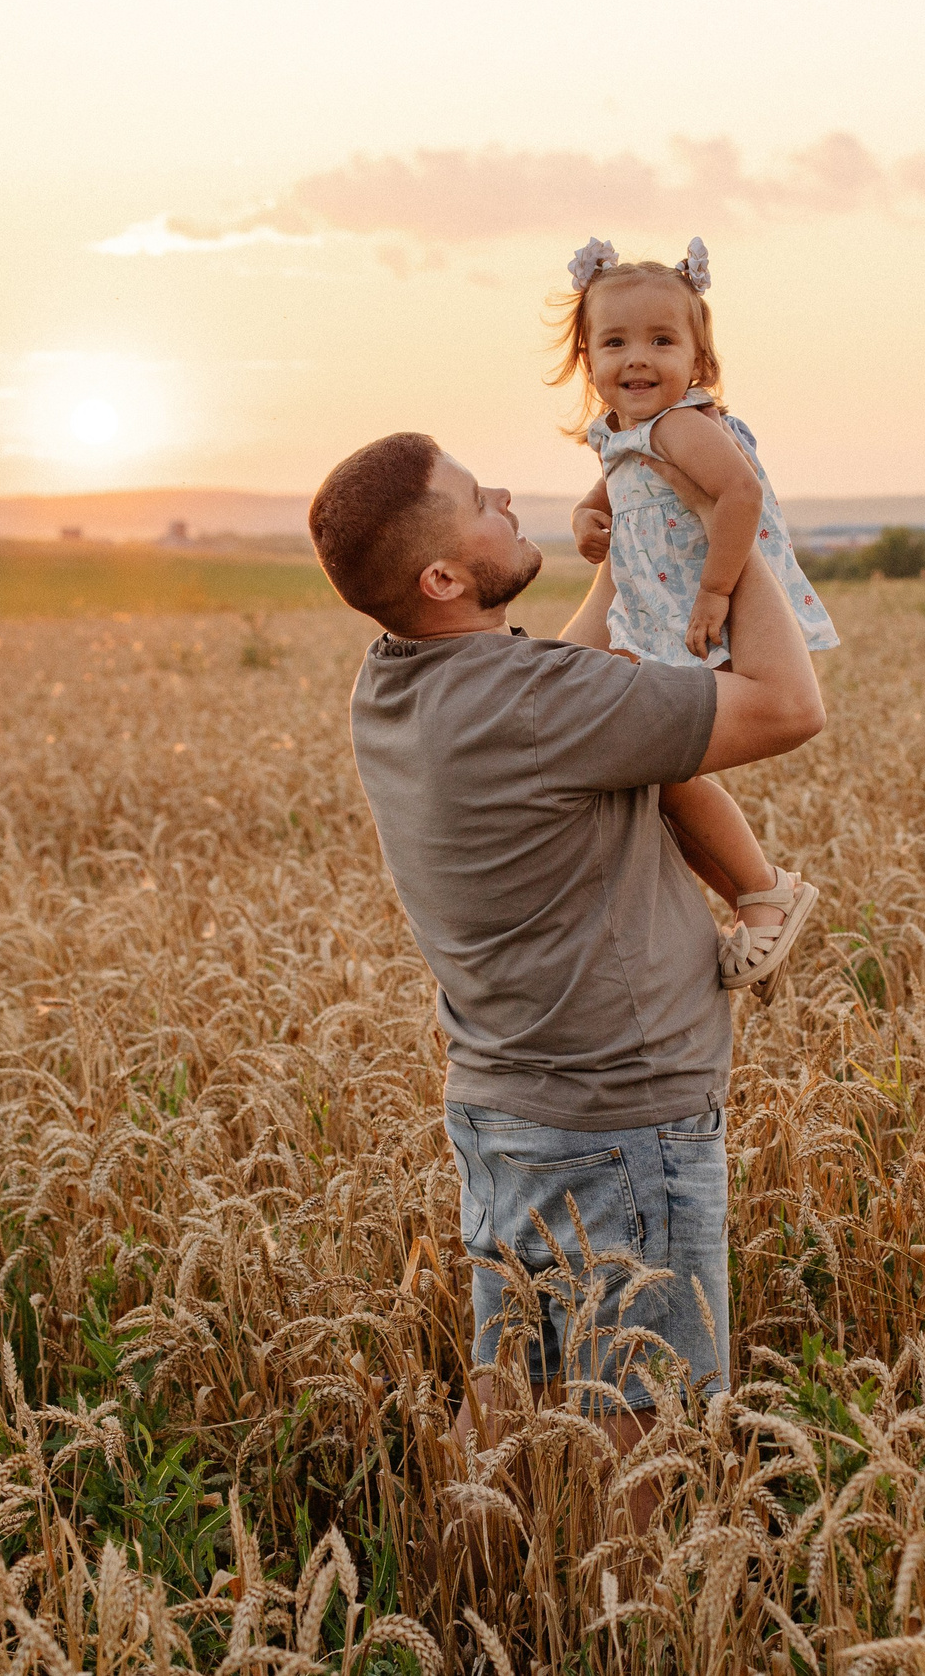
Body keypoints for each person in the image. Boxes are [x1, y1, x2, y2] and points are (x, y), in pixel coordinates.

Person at [307, 432, 824, 1456]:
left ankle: (467, 1590)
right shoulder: (536, 706)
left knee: (514, 1392)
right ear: (444, 574)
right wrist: (726, 524)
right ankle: (624, 1619)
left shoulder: (396, 683)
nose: (501, 492)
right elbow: (787, 704)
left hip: (506, 1112)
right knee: (645, 1422)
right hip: (619, 1119)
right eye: (473, 497)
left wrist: (612, 563)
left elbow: (554, 682)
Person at [549, 235, 839, 1003]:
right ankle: (746, 896)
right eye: (615, 342)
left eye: (661, 340)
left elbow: (737, 495)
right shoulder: (621, 434)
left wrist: (716, 592)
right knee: (654, 773)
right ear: (588, 358)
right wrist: (587, 518)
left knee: (660, 766)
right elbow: (608, 495)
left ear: (698, 363)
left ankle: (762, 888)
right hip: (653, 621)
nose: (636, 358)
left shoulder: (680, 425)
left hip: (695, 615)